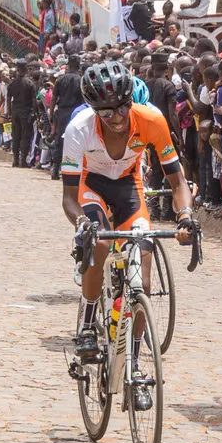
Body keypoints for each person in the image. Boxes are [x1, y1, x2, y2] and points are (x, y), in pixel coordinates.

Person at [62, 61, 196, 371]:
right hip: (90, 186)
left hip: (129, 188)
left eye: (122, 108)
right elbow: (69, 199)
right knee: (100, 243)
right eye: (105, 113)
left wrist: (185, 214)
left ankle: (132, 362)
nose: (117, 119)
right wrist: (82, 224)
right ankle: (86, 324)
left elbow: (177, 181)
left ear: (131, 101)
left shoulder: (151, 120)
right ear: (94, 110)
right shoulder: (78, 128)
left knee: (143, 284)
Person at [8, 63, 37, 169]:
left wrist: (10, 113)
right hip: (25, 112)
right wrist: (36, 112)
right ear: (26, 70)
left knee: (16, 135)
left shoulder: (12, 83)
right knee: (25, 135)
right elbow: (34, 100)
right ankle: (23, 160)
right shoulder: (30, 83)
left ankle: (15, 160)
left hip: (15, 112)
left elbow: (8, 98)